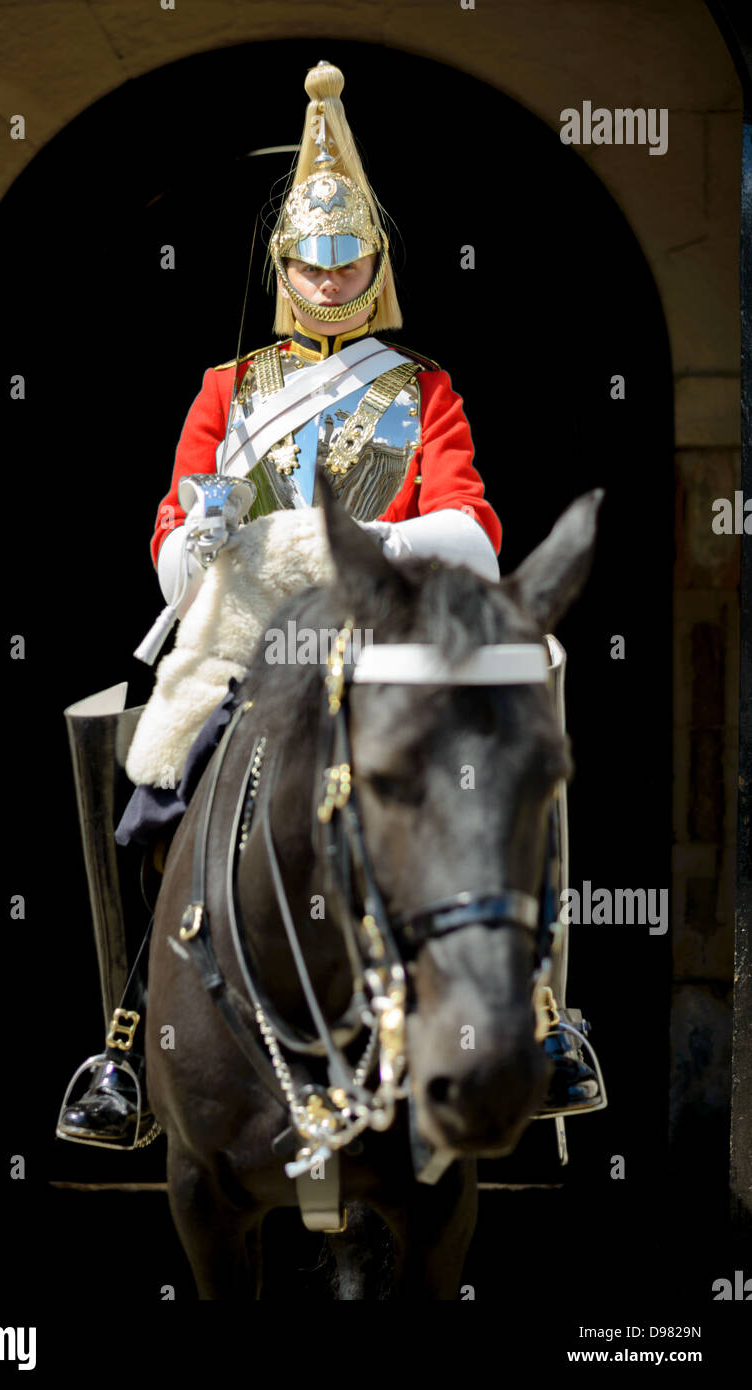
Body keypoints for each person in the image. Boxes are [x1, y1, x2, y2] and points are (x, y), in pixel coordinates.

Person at [55, 60, 603, 1152]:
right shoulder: (226, 389)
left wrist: (348, 547)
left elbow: (472, 533)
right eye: (312, 259)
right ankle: (125, 1039)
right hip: (251, 637)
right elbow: (171, 542)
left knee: (511, 740)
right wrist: (206, 538)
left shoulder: (422, 387)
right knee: (150, 774)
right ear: (283, 265)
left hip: (385, 632)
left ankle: (542, 1018)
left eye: (349, 258)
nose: (331, 276)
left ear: (376, 265)